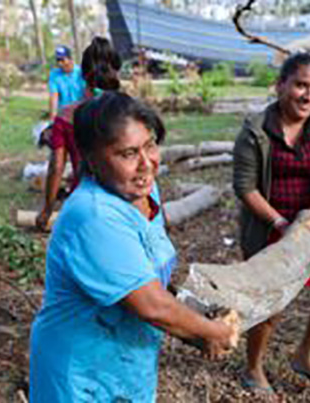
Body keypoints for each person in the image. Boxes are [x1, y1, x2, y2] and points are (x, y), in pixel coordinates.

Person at [30, 91, 238, 402]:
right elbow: (152, 306)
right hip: (82, 377)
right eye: (127, 154)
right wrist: (215, 333)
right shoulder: (94, 216)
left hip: (122, 362)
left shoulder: (143, 193)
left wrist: (195, 323)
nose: (146, 164)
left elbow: (145, 277)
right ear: (90, 158)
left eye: (150, 145)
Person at [233, 53, 310, 395]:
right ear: (280, 85)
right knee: (270, 310)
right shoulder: (255, 130)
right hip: (270, 229)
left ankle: (304, 355)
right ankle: (253, 369)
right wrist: (282, 223)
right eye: (300, 85)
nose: (308, 96)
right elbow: (245, 188)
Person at [36, 37, 121, 230]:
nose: (61, 63)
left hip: (84, 203)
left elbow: (56, 167)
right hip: (118, 203)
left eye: (64, 59)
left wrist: (47, 210)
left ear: (82, 73)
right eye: (58, 60)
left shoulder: (65, 118)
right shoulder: (124, 112)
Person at [47, 45, 85, 120]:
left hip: (82, 112)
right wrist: (52, 118)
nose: (60, 64)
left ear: (70, 59)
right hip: (64, 114)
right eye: (58, 60)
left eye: (62, 60)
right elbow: (54, 97)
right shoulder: (54, 74)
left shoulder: (81, 72)